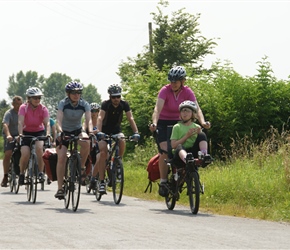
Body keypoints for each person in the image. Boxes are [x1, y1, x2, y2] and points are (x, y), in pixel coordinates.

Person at [149, 66, 211, 197]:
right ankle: (164, 181)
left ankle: (185, 170)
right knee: (166, 151)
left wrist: (203, 122)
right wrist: (154, 122)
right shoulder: (165, 91)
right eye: (171, 81)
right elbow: (157, 109)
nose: (173, 84)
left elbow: (197, 109)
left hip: (180, 122)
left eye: (176, 81)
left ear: (183, 81)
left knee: (190, 142)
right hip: (164, 123)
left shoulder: (188, 91)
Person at [89, 84, 140, 194]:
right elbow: (100, 118)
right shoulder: (105, 104)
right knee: (103, 153)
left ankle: (118, 162)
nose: (116, 99)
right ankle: (102, 182)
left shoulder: (124, 104)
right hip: (104, 131)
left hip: (116, 130)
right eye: (114, 97)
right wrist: (99, 131)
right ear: (110, 96)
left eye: (118, 96)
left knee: (122, 140)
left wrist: (136, 132)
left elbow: (130, 118)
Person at [54, 81, 92, 199]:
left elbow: (88, 120)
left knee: (86, 142)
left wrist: (90, 131)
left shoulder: (84, 104)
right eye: (73, 93)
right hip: (64, 131)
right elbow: (58, 120)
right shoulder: (63, 103)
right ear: (68, 94)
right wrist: (60, 131)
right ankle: (60, 188)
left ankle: (81, 167)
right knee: (61, 158)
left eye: (79, 92)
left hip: (77, 130)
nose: (76, 95)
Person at [18, 87, 50, 185]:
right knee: (25, 153)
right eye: (35, 98)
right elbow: (20, 122)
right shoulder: (23, 108)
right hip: (26, 132)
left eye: (39, 98)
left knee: (40, 148)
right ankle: (22, 173)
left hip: (38, 132)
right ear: (29, 99)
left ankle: (40, 172)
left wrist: (48, 133)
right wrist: (20, 134)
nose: (37, 100)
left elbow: (47, 123)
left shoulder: (43, 108)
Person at [171, 100, 211, 165]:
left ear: (193, 113)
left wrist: (199, 133)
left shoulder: (196, 126)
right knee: (179, 146)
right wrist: (187, 136)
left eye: (187, 111)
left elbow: (200, 140)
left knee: (202, 134)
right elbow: (173, 145)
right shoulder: (177, 127)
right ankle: (187, 159)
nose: (184, 113)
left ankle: (204, 155)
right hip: (180, 154)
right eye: (183, 111)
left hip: (193, 151)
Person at [1, 96, 23, 187]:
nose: (18, 106)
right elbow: (5, 125)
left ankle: (22, 173)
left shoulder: (24, 113)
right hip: (10, 136)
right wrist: (8, 135)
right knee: (8, 154)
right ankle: (6, 175)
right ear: (13, 104)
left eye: (20, 104)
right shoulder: (9, 113)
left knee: (25, 152)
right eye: (16, 104)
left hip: (21, 136)